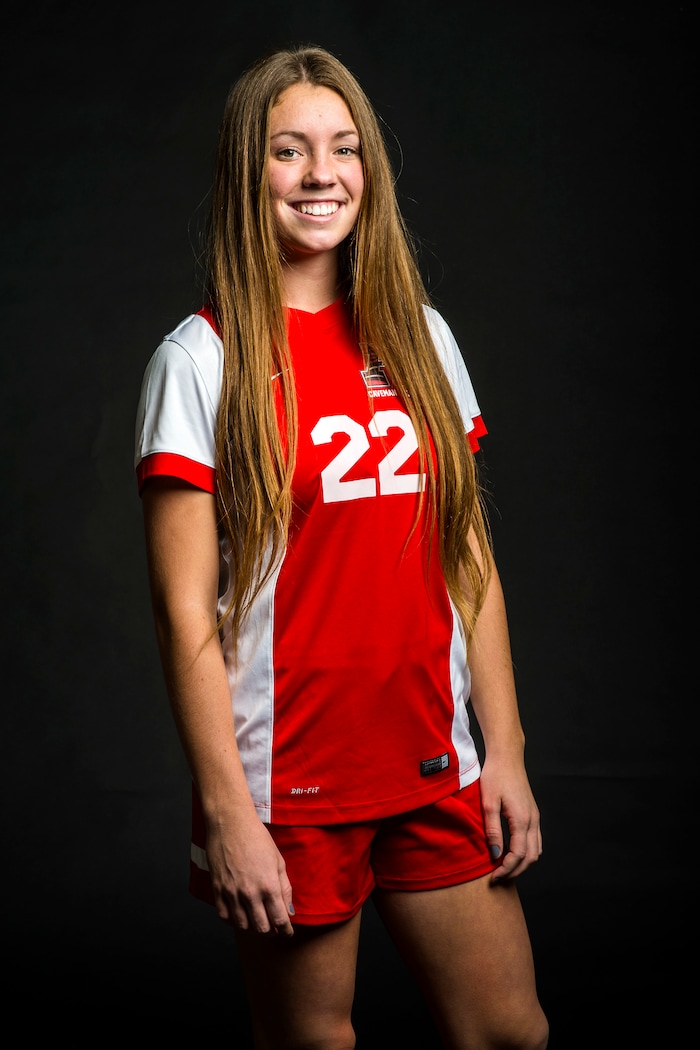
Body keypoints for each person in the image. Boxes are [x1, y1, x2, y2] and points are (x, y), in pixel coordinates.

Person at [134, 44, 549, 1050]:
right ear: (249, 171)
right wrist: (228, 814)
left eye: (344, 148)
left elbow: (468, 561)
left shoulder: (420, 337)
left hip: (434, 760)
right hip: (292, 787)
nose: (322, 174)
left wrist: (505, 752)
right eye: (289, 150)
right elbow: (186, 614)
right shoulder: (201, 360)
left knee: (509, 1032)